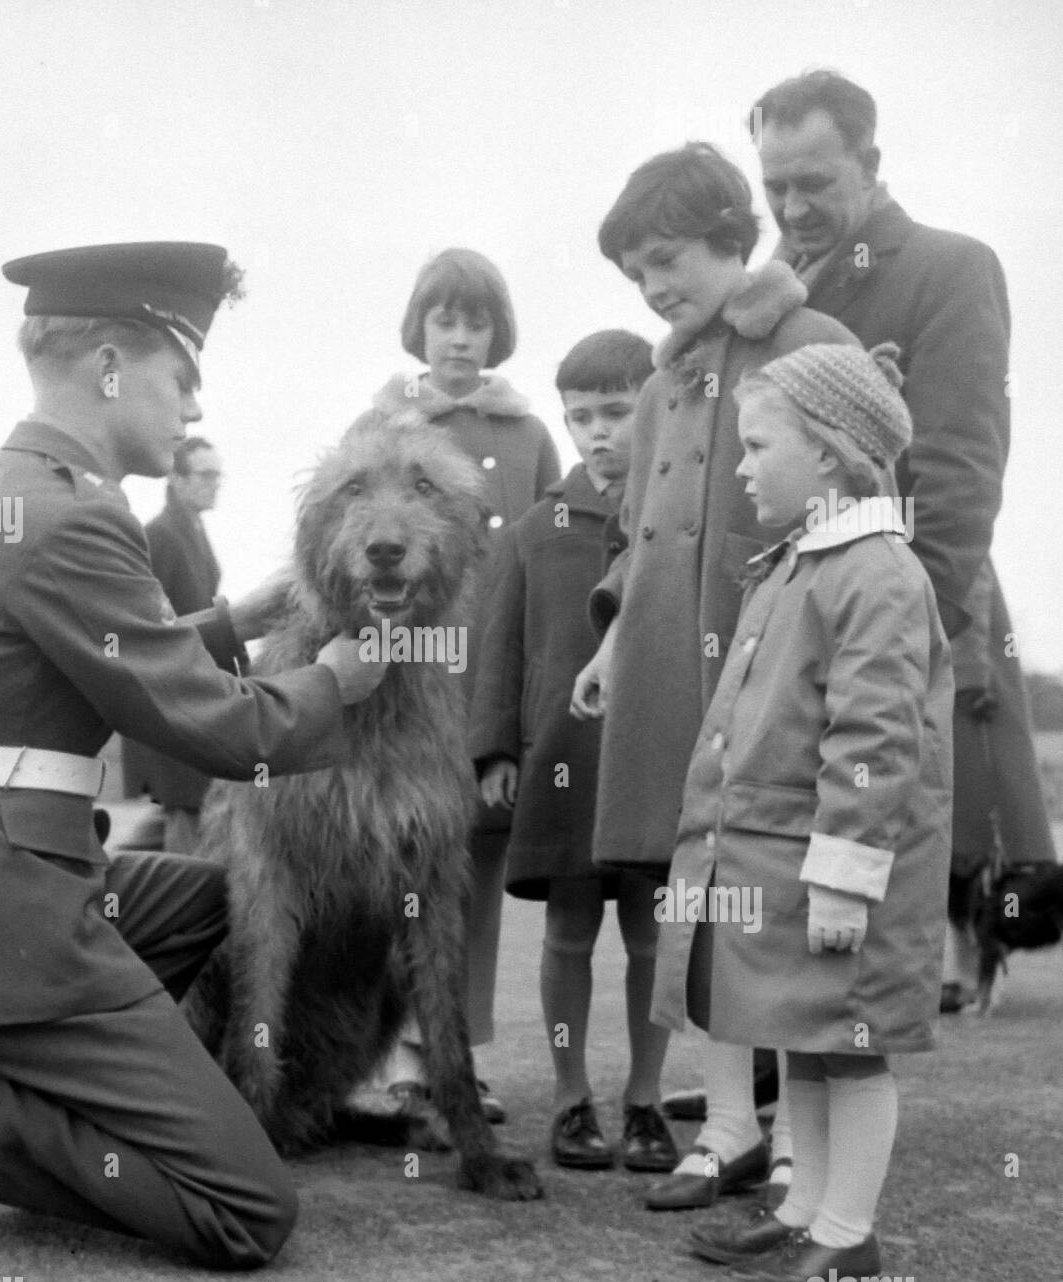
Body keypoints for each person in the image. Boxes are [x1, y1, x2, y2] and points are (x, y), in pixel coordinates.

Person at [0, 241, 387, 1271]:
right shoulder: (75, 516)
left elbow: (80, 662)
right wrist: (336, 683)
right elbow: (220, 732)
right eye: (182, 378)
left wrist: (238, 617)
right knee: (247, 1211)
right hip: (5, 919)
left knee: (210, 898)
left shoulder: (2, 494)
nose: (190, 411)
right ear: (110, 369)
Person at [569, 143, 856, 1211]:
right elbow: (634, 536)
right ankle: (728, 1125)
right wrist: (609, 644)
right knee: (697, 896)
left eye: (666, 257)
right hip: (667, 675)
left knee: (776, 902)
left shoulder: (813, 341)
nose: (652, 286)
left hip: (778, 669)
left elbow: (860, 503)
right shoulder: (661, 378)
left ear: (733, 233)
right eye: (633, 272)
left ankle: (792, 1140)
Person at [750, 69, 1056, 1011]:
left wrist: (912, 616)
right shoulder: (770, 291)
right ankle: (777, 1057)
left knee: (934, 802)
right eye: (774, 188)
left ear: (872, 164)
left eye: (814, 183)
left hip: (906, 594)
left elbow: (963, 468)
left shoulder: (949, 266)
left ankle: (925, 991)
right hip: (788, 605)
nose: (793, 209)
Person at [666, 343, 951, 1282]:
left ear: (828, 454)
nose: (740, 468)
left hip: (837, 872)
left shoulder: (874, 570)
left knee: (852, 1049)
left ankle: (848, 1235)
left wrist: (842, 874)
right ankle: (803, 1214)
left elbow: (871, 737)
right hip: (781, 861)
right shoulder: (800, 563)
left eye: (756, 447)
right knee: (807, 1039)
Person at [350, 247, 560, 1125]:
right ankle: (401, 1057)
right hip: (406, 691)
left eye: (477, 322)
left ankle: (458, 1059)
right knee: (396, 877)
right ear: (421, 327)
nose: (461, 339)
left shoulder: (527, 434)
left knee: (470, 880)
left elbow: (549, 564)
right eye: (445, 320)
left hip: (491, 687)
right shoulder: (381, 424)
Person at [471, 329, 679, 1172]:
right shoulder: (532, 528)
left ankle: (646, 1101)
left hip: (654, 759)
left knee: (651, 936)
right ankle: (568, 1099)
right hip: (561, 755)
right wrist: (494, 751)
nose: (600, 433)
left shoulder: (676, 516)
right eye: (582, 416)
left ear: (655, 408)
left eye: (619, 412)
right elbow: (498, 647)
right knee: (567, 931)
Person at [119, 436, 226, 853]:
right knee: (186, 821)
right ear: (176, 480)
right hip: (169, 707)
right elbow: (146, 629)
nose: (215, 483)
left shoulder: (192, 530)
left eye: (218, 475)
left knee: (180, 819)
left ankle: (114, 886)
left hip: (191, 702)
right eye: (205, 474)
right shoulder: (159, 536)